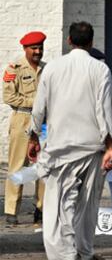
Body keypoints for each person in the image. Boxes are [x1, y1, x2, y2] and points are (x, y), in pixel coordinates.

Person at [27, 21, 112, 260]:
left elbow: (38, 109)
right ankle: (83, 252)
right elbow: (104, 111)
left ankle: (64, 255)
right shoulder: (100, 69)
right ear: (91, 42)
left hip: (60, 148)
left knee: (59, 206)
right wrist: (110, 147)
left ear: (69, 41)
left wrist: (33, 138)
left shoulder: (53, 68)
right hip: (92, 148)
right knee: (87, 206)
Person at [2, 31, 47, 225]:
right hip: (22, 118)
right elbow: (9, 97)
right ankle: (12, 211)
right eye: (34, 48)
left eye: (40, 48)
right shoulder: (15, 69)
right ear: (25, 49)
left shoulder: (48, 69)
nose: (38, 52)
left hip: (44, 123)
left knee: (44, 166)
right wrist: (36, 103)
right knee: (17, 166)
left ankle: (42, 208)